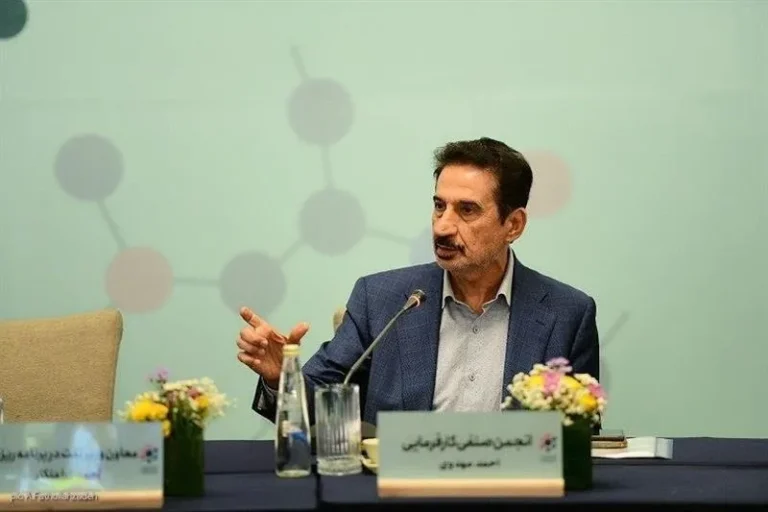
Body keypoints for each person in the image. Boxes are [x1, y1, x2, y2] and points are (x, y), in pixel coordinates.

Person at [236, 137, 599, 426]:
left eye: (467, 210)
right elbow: (321, 403)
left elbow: (579, 434)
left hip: (514, 490)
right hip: (402, 490)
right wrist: (281, 378)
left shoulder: (567, 314)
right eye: (439, 206)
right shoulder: (381, 299)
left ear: (513, 225)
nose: (443, 226)